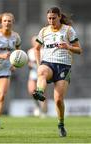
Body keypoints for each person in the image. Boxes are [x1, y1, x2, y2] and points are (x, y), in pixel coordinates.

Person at [33, 7, 82, 137]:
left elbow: (79, 50)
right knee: (42, 71)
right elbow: (36, 48)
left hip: (64, 66)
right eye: (49, 18)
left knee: (58, 100)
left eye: (54, 18)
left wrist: (69, 47)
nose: (51, 21)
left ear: (59, 16)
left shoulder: (68, 30)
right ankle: (39, 92)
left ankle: (61, 124)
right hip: (48, 63)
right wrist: (39, 64)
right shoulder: (44, 31)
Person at [27, 36, 47, 117]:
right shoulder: (30, 51)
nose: (34, 42)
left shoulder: (43, 51)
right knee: (31, 91)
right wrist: (30, 64)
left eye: (36, 41)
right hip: (33, 74)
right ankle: (37, 107)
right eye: (33, 41)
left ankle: (44, 112)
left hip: (41, 75)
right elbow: (29, 63)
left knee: (41, 93)